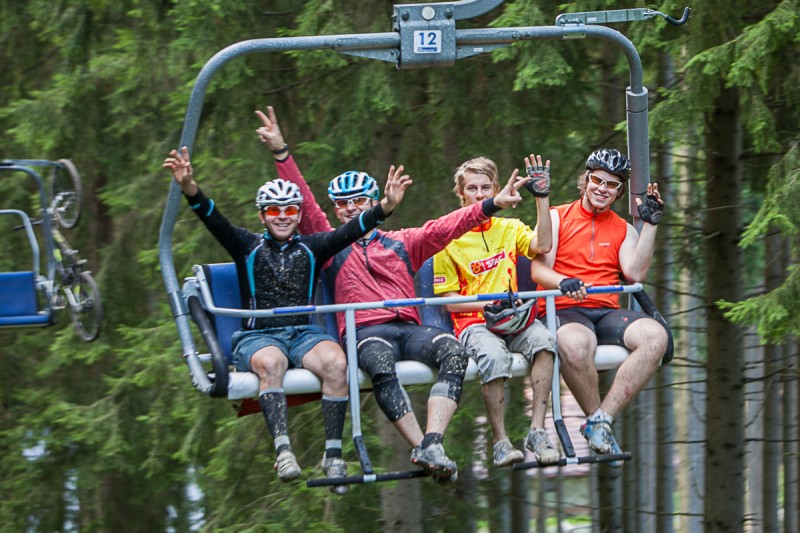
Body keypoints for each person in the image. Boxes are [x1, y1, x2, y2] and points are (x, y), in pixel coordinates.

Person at [254, 106, 530, 482]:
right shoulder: (331, 246)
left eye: (359, 201)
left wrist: (490, 205)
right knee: (380, 361)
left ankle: (433, 442)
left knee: (454, 353)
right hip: (366, 331)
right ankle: (421, 446)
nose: (350, 209)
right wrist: (281, 151)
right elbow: (307, 206)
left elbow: (446, 227)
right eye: (342, 204)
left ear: (373, 202)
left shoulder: (403, 242)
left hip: (409, 327)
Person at [163, 146, 410, 494]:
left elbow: (354, 229)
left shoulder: (313, 246)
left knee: (336, 364)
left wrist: (385, 207)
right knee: (271, 364)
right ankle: (283, 451)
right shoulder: (246, 246)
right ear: (262, 215)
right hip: (258, 335)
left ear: (298, 215)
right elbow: (211, 217)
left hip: (303, 333)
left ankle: (333, 454)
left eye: (290, 210)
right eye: (274, 210)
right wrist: (189, 186)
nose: (282, 216)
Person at [529, 148, 667, 466]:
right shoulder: (557, 217)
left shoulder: (622, 228)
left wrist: (650, 226)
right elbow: (538, 270)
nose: (603, 189)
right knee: (576, 345)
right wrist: (563, 281)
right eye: (597, 180)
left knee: (656, 336)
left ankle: (601, 420)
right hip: (564, 306)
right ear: (586, 180)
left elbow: (635, 273)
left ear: (619, 192)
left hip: (605, 310)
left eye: (612, 185)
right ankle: (597, 423)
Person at [431, 156, 560, 467]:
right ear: (460, 193)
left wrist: (541, 198)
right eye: (472, 188)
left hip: (513, 319)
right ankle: (501, 441)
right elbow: (450, 301)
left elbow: (543, 246)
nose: (479, 195)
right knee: (493, 356)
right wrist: (490, 303)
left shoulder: (508, 227)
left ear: (496, 189)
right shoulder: (447, 237)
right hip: (474, 322)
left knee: (546, 342)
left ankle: (538, 431)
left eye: (486, 188)